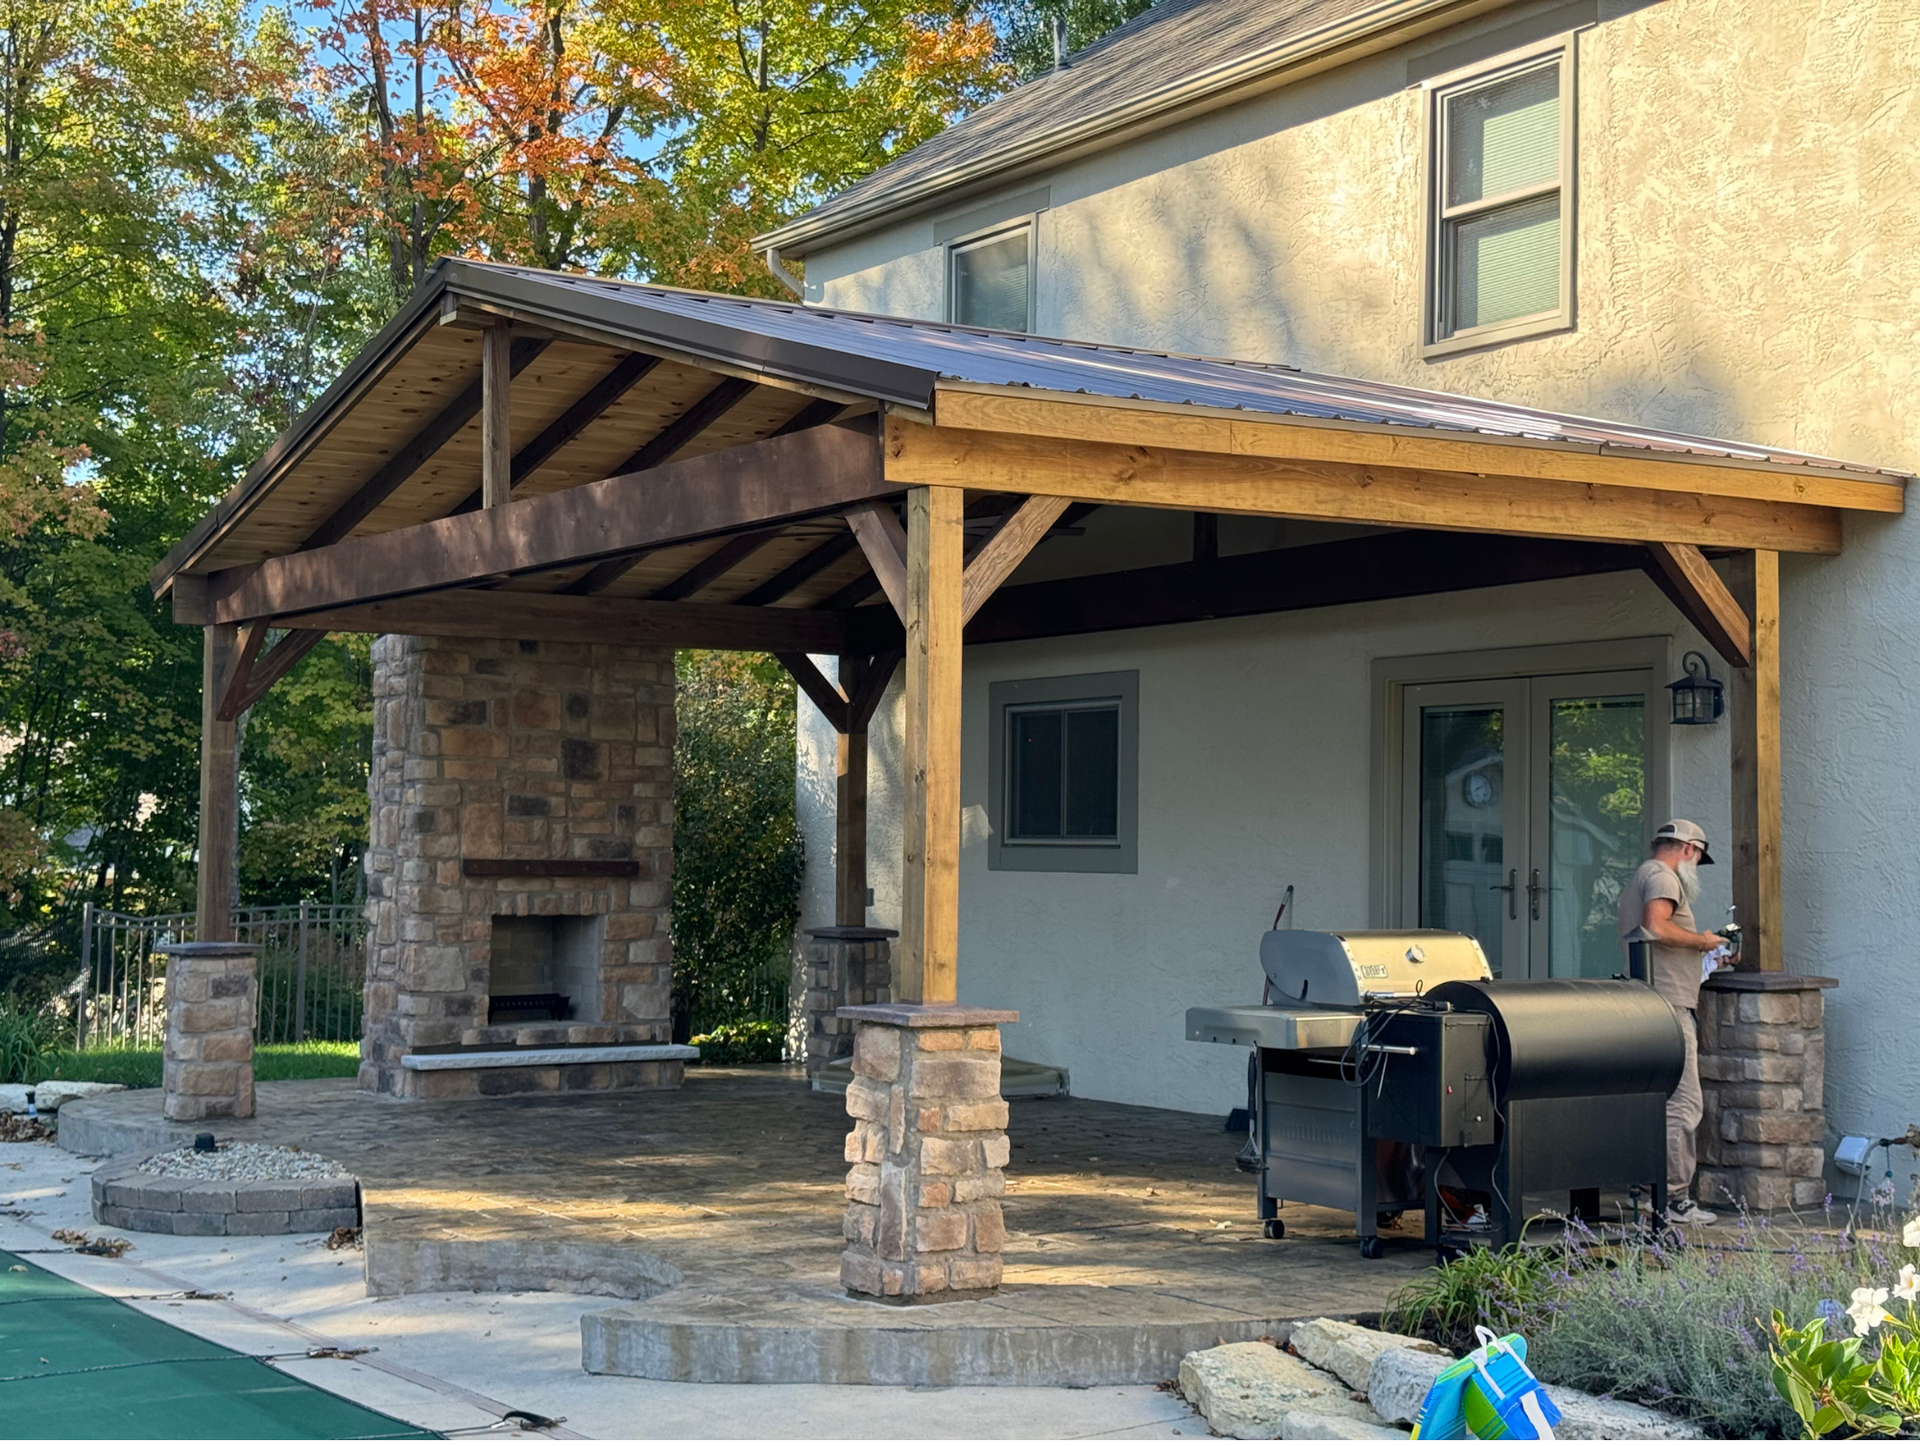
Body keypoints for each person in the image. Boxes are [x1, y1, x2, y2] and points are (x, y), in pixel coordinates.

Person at [1617, 818, 1737, 1227]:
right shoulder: (1663, 877)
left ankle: (1649, 1193)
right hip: (1668, 1007)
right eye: (1699, 857)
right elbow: (1656, 926)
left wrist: (1707, 957)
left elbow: (1657, 940)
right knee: (1684, 1103)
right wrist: (1703, 940)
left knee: (1656, 1100)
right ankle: (1672, 1199)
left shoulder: (1641, 876)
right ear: (1688, 848)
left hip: (1649, 1000)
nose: (1697, 865)